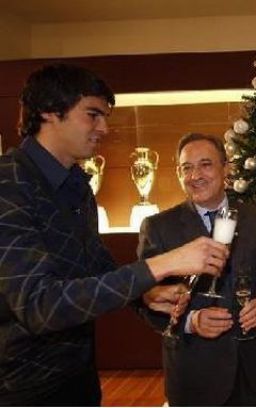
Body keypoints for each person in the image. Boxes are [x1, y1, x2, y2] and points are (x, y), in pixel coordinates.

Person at [0, 64, 228, 406]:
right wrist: (162, 265)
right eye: (92, 115)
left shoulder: (77, 184)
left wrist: (145, 294)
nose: (104, 128)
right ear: (49, 110)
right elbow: (39, 305)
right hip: (22, 389)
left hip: (78, 375)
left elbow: (97, 266)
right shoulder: (9, 184)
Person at [137, 132, 256, 406]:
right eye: (187, 168)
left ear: (225, 168)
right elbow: (145, 301)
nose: (195, 175)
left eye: (205, 165)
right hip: (195, 374)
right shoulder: (158, 227)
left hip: (252, 370)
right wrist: (191, 321)